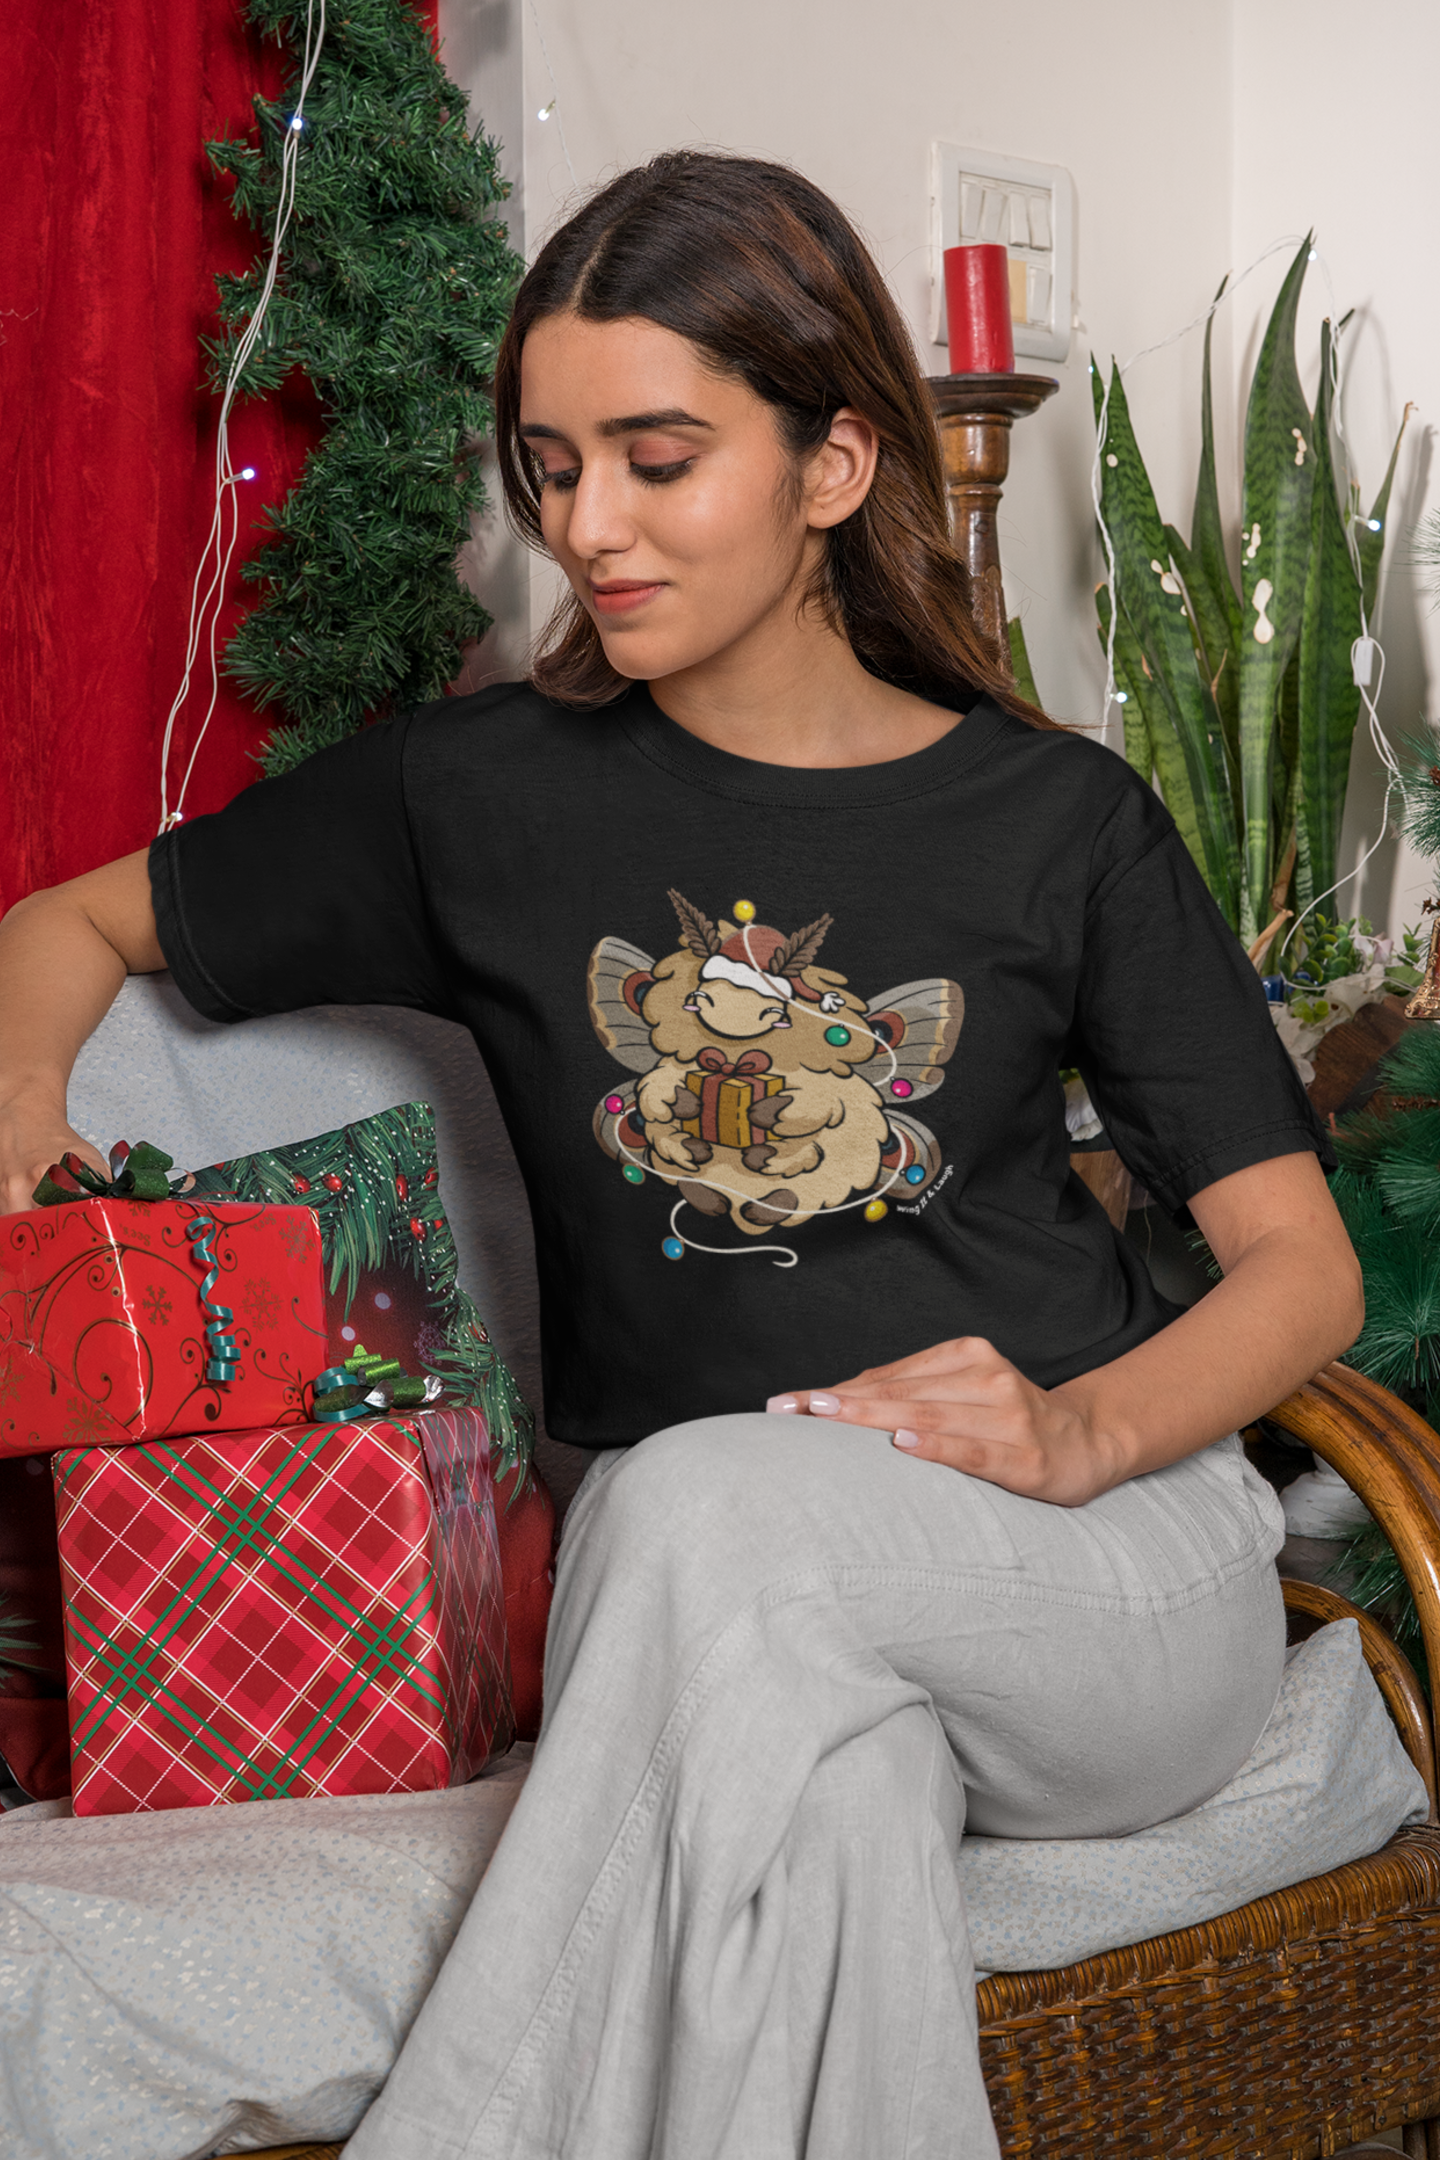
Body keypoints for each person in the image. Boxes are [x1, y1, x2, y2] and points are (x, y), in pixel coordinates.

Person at [0, 152, 1360, 2158]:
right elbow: (70, 926)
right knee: (817, 1783)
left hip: (1095, 1573)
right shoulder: (481, 796)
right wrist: (24, 1130)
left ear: (831, 466)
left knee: (698, 1511)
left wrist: (1080, 1437)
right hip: (713, 1593)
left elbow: (1303, 1273)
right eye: (551, 464)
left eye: (658, 458)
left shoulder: (1053, 823)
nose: (587, 528)